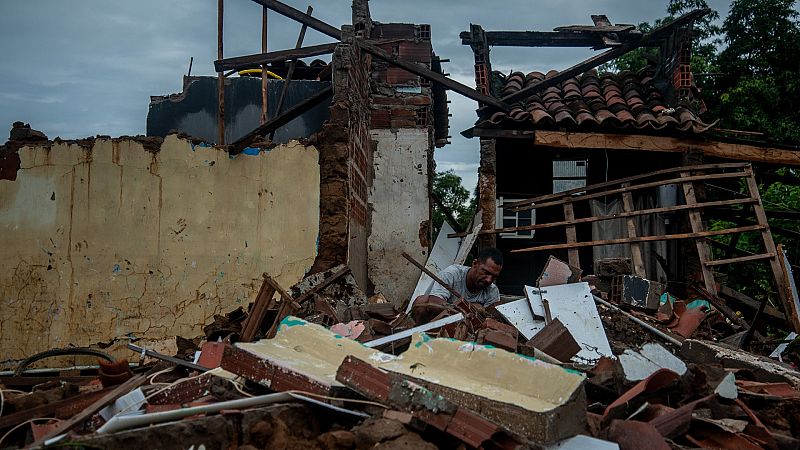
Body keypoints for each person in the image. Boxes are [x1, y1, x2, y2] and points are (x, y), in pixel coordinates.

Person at [411, 247, 503, 324]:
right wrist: (468, 309)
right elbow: (433, 301)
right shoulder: (453, 274)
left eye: (494, 277)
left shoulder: (492, 291)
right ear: (475, 264)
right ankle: (421, 338)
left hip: (469, 331)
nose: (489, 280)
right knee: (421, 302)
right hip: (441, 321)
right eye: (486, 272)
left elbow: (490, 321)